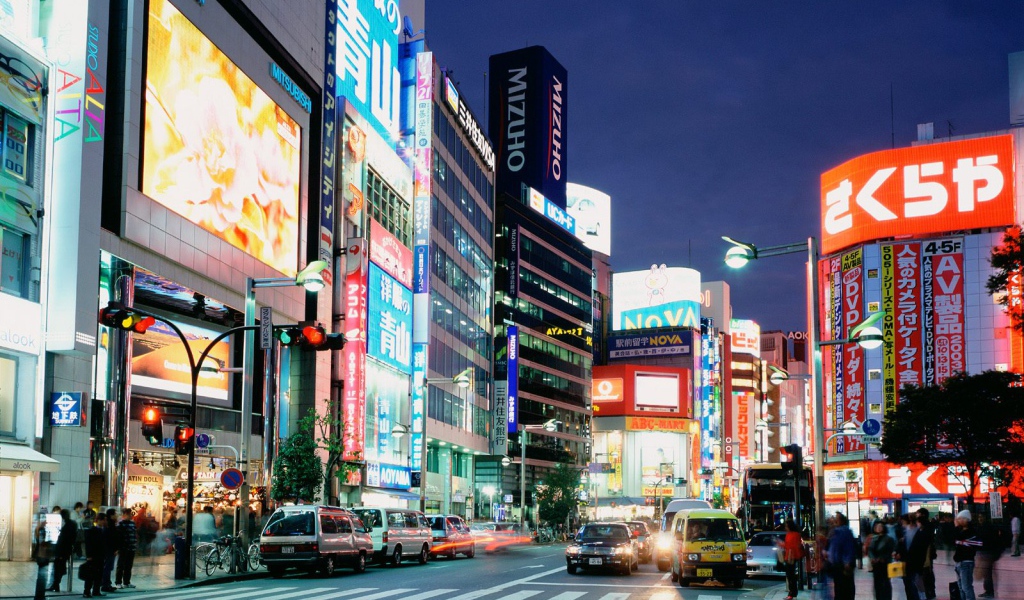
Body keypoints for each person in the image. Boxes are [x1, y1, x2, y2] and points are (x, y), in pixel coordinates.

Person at [828, 512, 858, 600]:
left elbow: (849, 548)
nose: (833, 520)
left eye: (836, 518)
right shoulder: (836, 532)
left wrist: (847, 562)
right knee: (840, 589)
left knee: (844, 590)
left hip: (842, 565)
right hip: (838, 565)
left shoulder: (844, 532)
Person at [953, 510, 982, 600]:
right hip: (960, 562)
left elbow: (959, 538)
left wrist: (956, 528)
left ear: (966, 519)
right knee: (961, 586)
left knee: (966, 586)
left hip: (966, 562)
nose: (959, 520)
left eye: (961, 518)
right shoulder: (961, 531)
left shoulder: (971, 532)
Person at [48, 508, 78, 592]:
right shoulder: (72, 524)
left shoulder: (68, 525)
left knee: (58, 567)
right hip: (65, 549)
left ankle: (55, 585)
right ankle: (55, 585)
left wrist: (60, 552)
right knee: (59, 567)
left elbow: (65, 539)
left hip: (62, 550)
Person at [975, 512, 1004, 598]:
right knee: (987, 573)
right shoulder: (982, 527)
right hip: (986, 552)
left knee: (987, 573)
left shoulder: (987, 528)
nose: (980, 519)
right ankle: (989, 590)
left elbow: (989, 540)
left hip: (988, 552)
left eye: (982, 517)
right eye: (979, 517)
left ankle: (989, 591)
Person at [867, 520, 896, 600]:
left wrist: (883, 558)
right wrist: (872, 558)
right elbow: (870, 550)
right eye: (877, 527)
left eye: (880, 526)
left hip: (884, 564)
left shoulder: (888, 539)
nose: (878, 528)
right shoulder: (874, 538)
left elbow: (890, 551)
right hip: (876, 565)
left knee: (885, 584)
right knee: (877, 584)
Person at [82, 513, 107, 598]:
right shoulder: (92, 530)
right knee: (90, 574)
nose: (105, 521)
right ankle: (87, 591)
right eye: (104, 520)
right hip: (93, 556)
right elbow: (88, 544)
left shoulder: (104, 530)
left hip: (101, 555)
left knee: (99, 574)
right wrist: (89, 555)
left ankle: (96, 590)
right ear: (99, 520)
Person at [779, 519, 804, 600]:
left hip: (791, 557)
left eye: (786, 526)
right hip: (790, 556)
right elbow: (788, 545)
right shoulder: (793, 534)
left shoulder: (793, 535)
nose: (785, 527)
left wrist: (781, 544)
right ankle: (792, 593)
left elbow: (790, 546)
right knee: (790, 575)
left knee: (790, 576)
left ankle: (792, 593)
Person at [114, 508, 138, 589]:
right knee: (121, 565)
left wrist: (135, 543)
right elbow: (119, 537)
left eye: (131, 514)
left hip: (132, 547)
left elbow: (135, 534)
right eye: (129, 514)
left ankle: (127, 582)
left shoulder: (133, 523)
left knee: (129, 566)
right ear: (124, 515)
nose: (131, 515)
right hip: (123, 548)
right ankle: (118, 582)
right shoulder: (120, 524)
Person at [100, 508, 118, 593]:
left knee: (108, 567)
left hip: (110, 549)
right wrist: (114, 549)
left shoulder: (111, 524)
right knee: (108, 567)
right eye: (115, 514)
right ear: (111, 515)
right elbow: (111, 538)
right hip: (109, 549)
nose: (116, 515)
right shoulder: (110, 525)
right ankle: (105, 584)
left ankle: (107, 583)